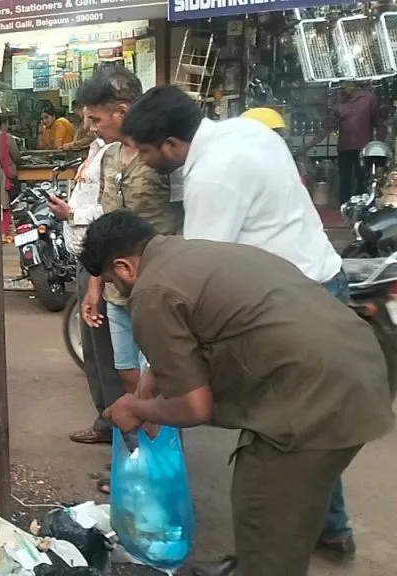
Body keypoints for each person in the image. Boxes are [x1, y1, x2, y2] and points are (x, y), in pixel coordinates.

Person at [82, 211, 393, 576]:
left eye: (110, 280)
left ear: (123, 266)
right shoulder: (195, 254)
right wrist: (154, 377)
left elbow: (194, 407)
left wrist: (136, 408)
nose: (116, 290)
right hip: (363, 368)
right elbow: (210, 328)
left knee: (262, 511)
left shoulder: (152, 290)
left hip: (313, 397)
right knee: (292, 509)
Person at [120, 84, 356, 561]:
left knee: (278, 431)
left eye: (145, 151)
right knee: (315, 423)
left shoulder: (212, 177)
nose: (143, 161)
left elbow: (192, 280)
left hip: (287, 311)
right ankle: (330, 528)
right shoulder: (249, 131)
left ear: (171, 145)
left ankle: (271, 546)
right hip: (322, 282)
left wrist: (154, 372)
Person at [76, 67, 182, 405]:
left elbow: (186, 222)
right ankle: (137, 436)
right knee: (126, 372)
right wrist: (95, 287)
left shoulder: (164, 155)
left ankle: (163, 436)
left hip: (158, 290)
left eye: (96, 119)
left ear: (121, 112)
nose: (91, 128)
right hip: (117, 294)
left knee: (161, 379)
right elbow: (105, 225)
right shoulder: (107, 157)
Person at [46, 131, 121, 448]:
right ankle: (106, 420)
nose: (89, 123)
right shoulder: (96, 148)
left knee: (106, 350)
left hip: (100, 258)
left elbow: (110, 210)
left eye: (95, 116)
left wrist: (72, 214)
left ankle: (118, 426)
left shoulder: (118, 153)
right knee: (92, 349)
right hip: (85, 255)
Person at [304, 81, 386, 204]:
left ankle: (362, 205)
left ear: (353, 84)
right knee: (344, 179)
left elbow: (379, 124)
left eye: (345, 85)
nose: (342, 89)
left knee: (363, 179)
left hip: (364, 148)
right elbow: (327, 127)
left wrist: (378, 147)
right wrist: (309, 145)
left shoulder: (369, 99)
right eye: (340, 86)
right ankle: (344, 206)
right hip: (344, 147)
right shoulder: (339, 103)